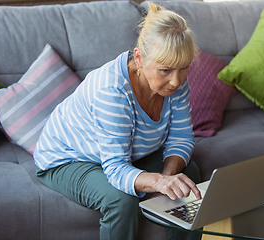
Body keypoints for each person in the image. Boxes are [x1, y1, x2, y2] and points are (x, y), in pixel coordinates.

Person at [33, 2, 202, 240]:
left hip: (123, 153)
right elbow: (114, 168)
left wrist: (167, 178)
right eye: (165, 70)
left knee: (187, 175)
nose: (175, 81)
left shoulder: (175, 80)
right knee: (121, 200)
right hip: (69, 158)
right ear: (139, 58)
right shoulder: (112, 91)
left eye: (183, 69)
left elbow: (180, 137)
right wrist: (157, 183)